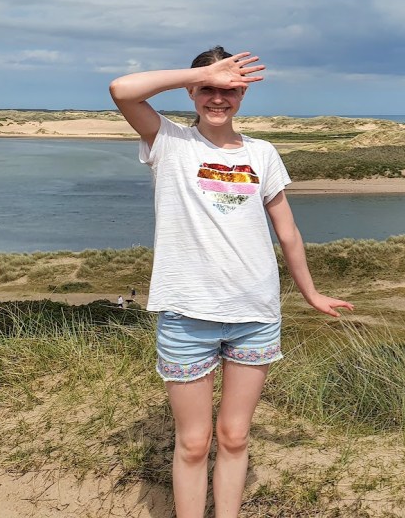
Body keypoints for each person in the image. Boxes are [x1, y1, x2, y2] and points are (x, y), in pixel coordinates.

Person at [110, 47, 353, 518]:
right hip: (187, 315)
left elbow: (288, 231)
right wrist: (207, 70)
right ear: (191, 90)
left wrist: (311, 293)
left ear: (243, 94)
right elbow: (122, 90)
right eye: (208, 89)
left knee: (235, 436)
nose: (218, 98)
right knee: (193, 442)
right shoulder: (170, 141)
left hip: (254, 315)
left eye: (230, 90)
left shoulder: (262, 153)